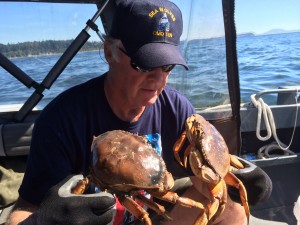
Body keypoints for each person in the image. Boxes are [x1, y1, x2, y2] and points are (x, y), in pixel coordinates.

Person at [7, 0, 271, 224]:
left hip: (154, 212)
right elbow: (24, 210)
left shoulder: (178, 110)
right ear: (109, 52)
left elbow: (204, 184)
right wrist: (48, 219)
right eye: (144, 64)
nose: (158, 78)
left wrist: (226, 177)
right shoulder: (61, 119)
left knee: (230, 208)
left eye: (167, 65)